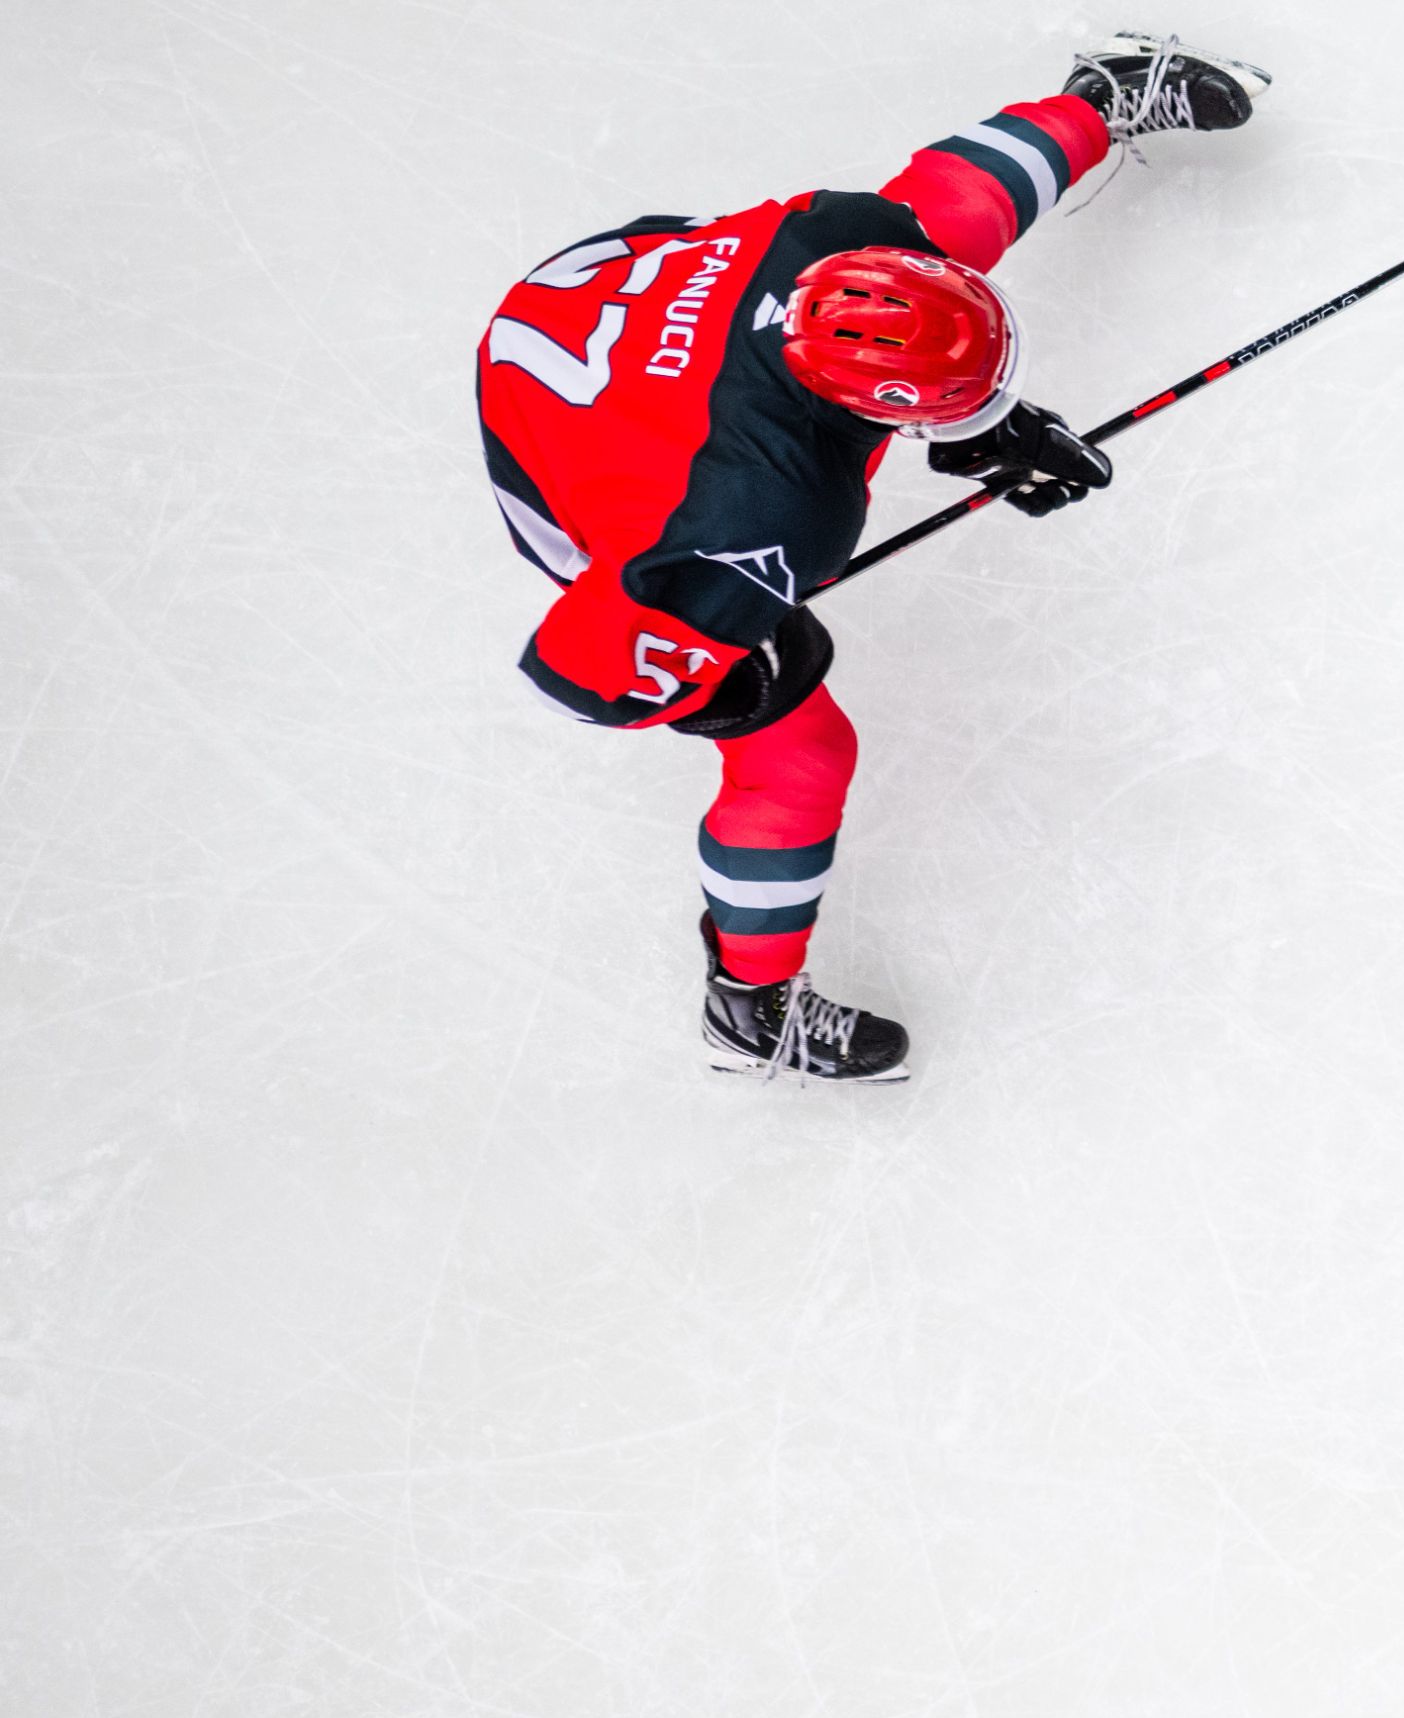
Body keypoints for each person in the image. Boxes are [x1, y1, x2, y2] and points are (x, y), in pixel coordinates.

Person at [474, 37, 1266, 1079]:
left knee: (944, 222)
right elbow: (584, 678)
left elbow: (952, 201)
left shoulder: (850, 235)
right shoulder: (755, 526)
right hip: (554, 457)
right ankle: (748, 1006)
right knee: (800, 755)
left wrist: (978, 425)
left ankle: (1100, 96)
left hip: (592, 303)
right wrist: (722, 677)